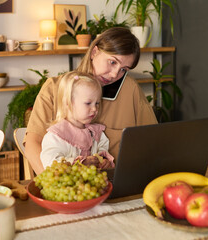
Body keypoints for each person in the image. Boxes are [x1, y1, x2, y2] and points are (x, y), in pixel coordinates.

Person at [25, 27, 157, 175]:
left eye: (123, 69)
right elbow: (32, 144)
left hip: (116, 185)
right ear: (94, 52)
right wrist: (56, 183)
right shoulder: (53, 88)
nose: (115, 74)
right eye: (112, 62)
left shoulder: (130, 89)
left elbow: (153, 141)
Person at [40, 71, 115, 169]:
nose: (94, 109)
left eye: (97, 103)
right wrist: (78, 163)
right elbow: (50, 163)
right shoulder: (56, 135)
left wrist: (104, 160)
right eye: (88, 103)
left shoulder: (95, 133)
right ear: (68, 102)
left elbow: (103, 147)